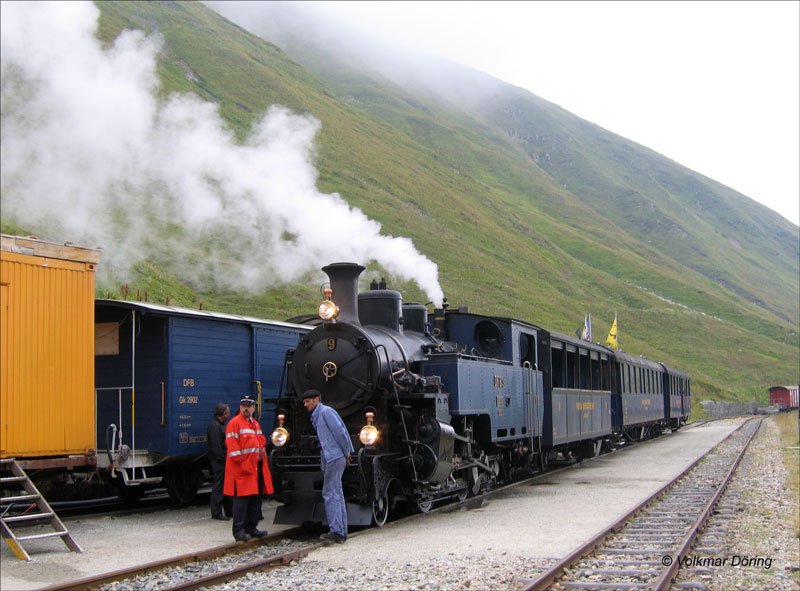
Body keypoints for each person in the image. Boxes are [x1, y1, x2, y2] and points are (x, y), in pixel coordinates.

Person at [302, 389, 354, 544]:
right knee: (336, 492)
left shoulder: (325, 412)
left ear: (316, 399)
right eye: (304, 402)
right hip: (332, 457)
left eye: (307, 401)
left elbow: (340, 432)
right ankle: (342, 530)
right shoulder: (318, 415)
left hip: (335, 456)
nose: (305, 405)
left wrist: (346, 452)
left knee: (330, 492)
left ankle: (336, 531)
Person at [224, 395, 273, 542]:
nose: (246, 408)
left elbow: (260, 444)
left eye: (249, 405)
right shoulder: (234, 423)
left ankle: (252, 527)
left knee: (255, 499)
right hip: (243, 469)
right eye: (243, 405)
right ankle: (239, 530)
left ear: (253, 407)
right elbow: (233, 448)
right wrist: (244, 463)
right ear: (240, 407)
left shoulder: (255, 424)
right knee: (242, 501)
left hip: (256, 468)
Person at [207, 402, 232, 520]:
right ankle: (216, 512)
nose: (229, 415)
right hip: (219, 461)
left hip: (221, 460)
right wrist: (223, 459)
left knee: (223, 485)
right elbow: (216, 446)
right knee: (219, 485)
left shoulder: (217, 425)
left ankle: (227, 511)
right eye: (227, 412)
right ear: (223, 414)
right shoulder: (215, 426)